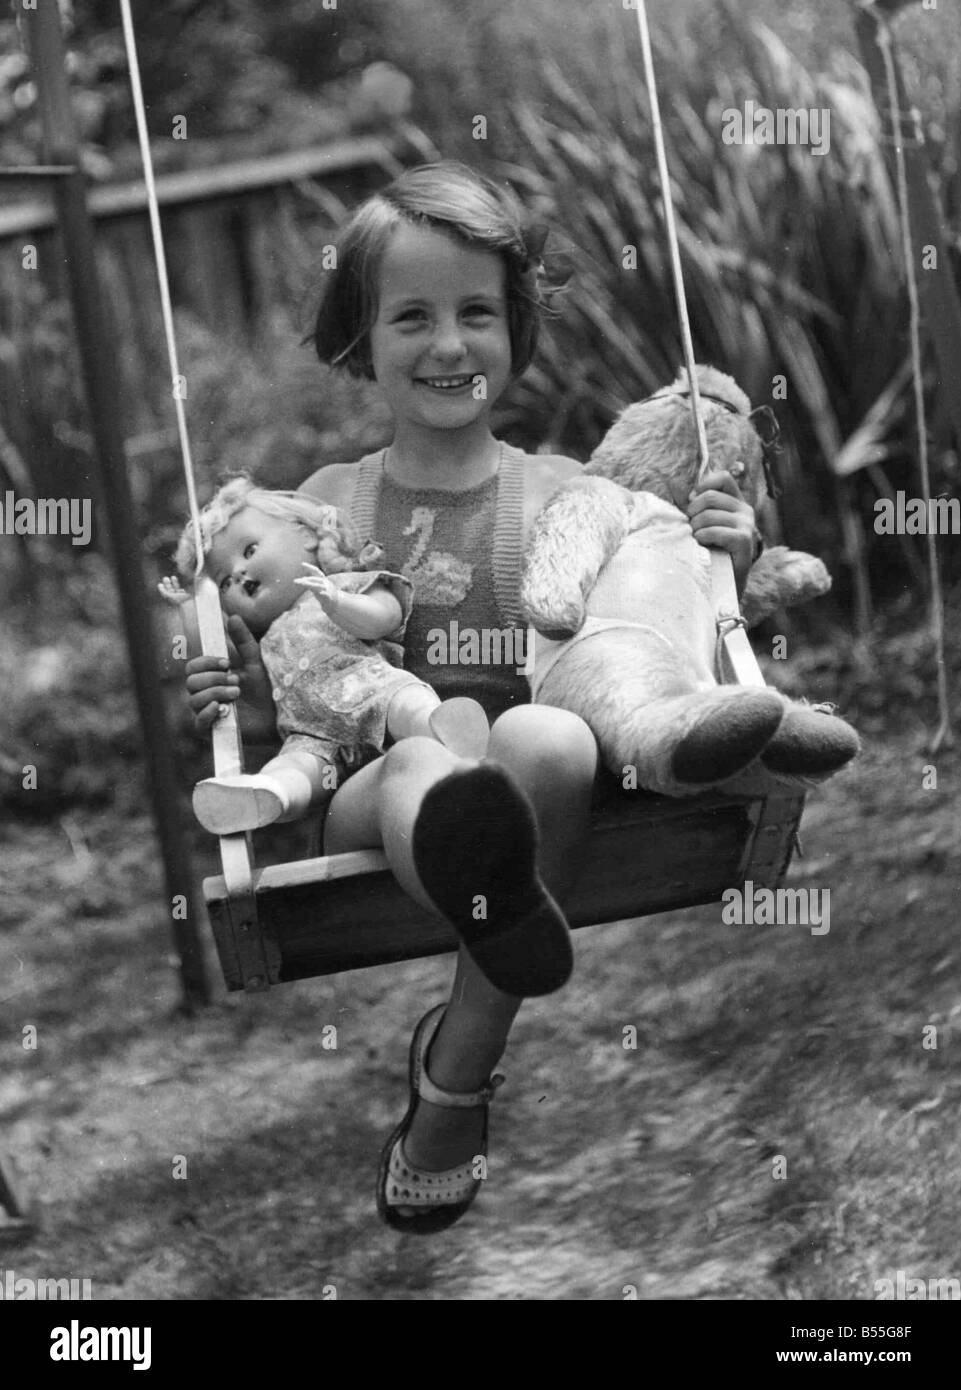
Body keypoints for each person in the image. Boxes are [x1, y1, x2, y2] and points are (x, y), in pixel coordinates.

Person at [182, 161, 757, 1234]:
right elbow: (291, 676)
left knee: (547, 733)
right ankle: (459, 1048)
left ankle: (458, 1060)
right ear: (361, 338)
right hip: (374, 790)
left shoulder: (565, 494)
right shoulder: (320, 508)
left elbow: (652, 622)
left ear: (514, 330)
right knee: (421, 761)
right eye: (412, 317)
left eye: (475, 314)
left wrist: (719, 557)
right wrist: (222, 682)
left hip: (534, 781)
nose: (448, 344)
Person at [161, 478, 490, 833]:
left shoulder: (342, 586)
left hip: (370, 690)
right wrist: (193, 611)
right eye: (224, 582)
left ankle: (444, 729)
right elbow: (216, 654)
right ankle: (268, 795)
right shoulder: (265, 640)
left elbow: (385, 616)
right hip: (313, 734)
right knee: (294, 768)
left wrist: (338, 603)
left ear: (307, 535)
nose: (238, 574)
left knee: (404, 700)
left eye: (250, 550)